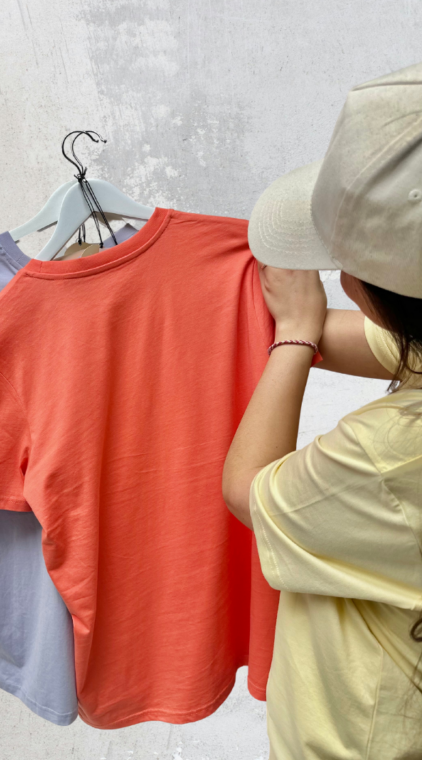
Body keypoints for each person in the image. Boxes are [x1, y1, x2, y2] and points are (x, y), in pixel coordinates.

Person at [222, 63, 422, 759]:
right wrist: (295, 321)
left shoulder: (391, 449)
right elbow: (376, 342)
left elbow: (247, 490)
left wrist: (295, 336)